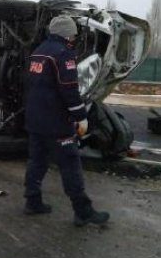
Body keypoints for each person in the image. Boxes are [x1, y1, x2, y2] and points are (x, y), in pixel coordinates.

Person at [23, 15, 109, 226]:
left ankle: (32, 202)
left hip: (35, 120)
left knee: (37, 161)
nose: (74, 38)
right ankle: (83, 211)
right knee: (70, 164)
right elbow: (69, 89)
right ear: (67, 34)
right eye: (73, 34)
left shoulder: (38, 52)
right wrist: (81, 116)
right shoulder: (63, 55)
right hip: (56, 123)